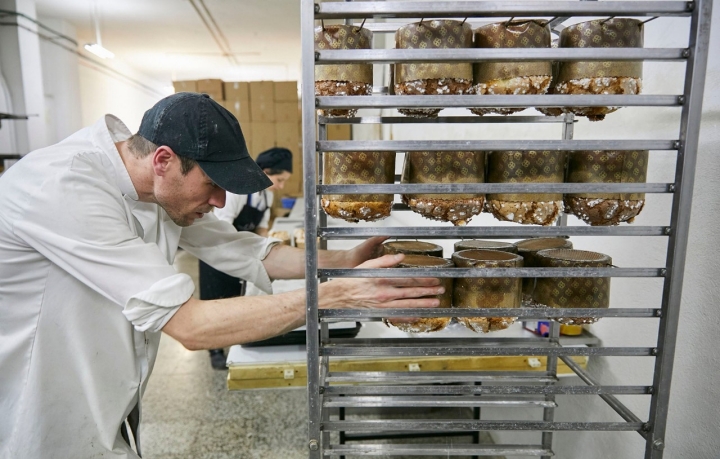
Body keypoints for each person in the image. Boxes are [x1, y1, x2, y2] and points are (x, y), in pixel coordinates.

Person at [0, 92, 442, 459]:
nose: (219, 200)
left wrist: (342, 260)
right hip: (34, 414)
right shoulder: (64, 188)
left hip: (104, 402)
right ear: (163, 160)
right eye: (212, 183)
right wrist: (336, 296)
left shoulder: (151, 189)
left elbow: (240, 249)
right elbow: (190, 326)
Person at [199, 147, 293, 369]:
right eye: (279, 179)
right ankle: (214, 349)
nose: (281, 186)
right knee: (216, 300)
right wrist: (246, 251)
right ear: (265, 171)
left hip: (240, 253)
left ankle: (234, 339)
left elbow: (261, 228)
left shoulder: (266, 195)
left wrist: (267, 250)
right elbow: (223, 227)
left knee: (235, 299)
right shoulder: (238, 190)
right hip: (218, 251)